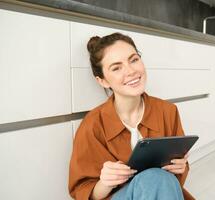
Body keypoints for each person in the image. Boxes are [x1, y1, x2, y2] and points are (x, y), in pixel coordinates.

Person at [68, 32, 195, 200]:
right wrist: (105, 183)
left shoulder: (168, 111)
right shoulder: (92, 125)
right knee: (155, 178)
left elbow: (175, 180)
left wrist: (180, 166)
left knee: (157, 179)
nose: (131, 71)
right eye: (116, 67)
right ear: (103, 81)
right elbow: (82, 192)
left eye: (134, 60)